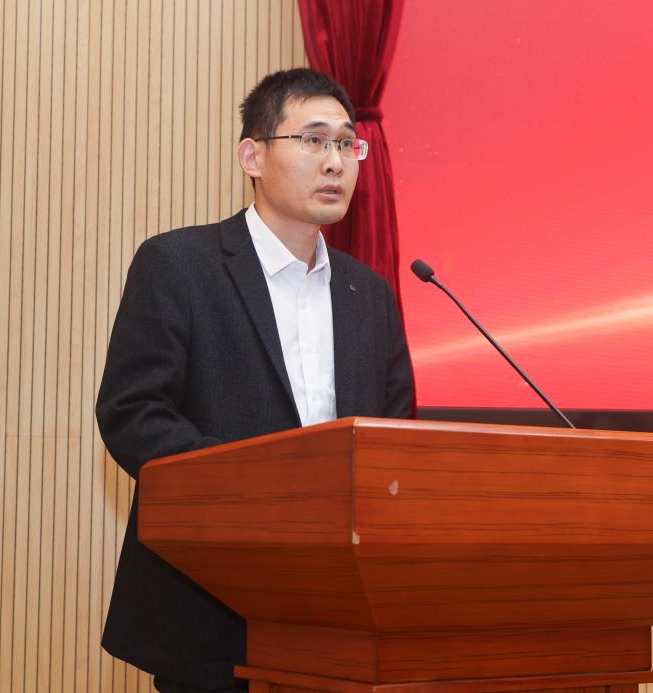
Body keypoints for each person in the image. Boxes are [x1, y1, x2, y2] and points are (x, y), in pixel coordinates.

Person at [95, 67, 415, 693]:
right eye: (313, 140)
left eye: (346, 144)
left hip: (345, 618)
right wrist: (261, 495)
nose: (336, 162)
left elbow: (394, 437)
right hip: (212, 605)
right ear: (253, 156)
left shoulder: (370, 294)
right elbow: (134, 413)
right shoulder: (178, 264)